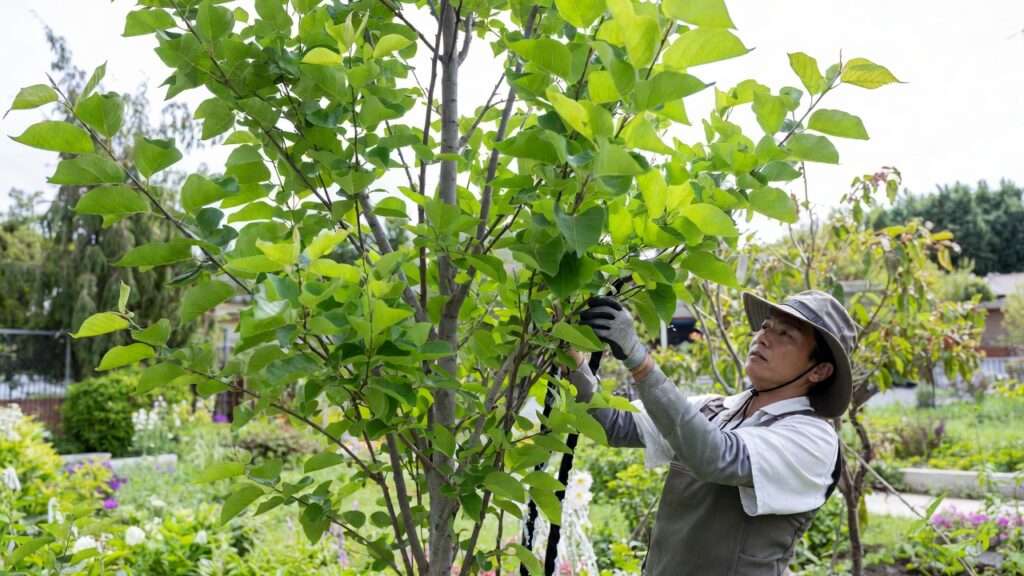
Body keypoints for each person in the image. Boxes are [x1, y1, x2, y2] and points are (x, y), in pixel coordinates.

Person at [571, 290, 858, 575]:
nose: (764, 337)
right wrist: (572, 361)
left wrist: (639, 359)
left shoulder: (813, 439)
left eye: (786, 334)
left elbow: (717, 456)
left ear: (819, 371)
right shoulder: (713, 409)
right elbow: (613, 425)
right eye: (767, 326)